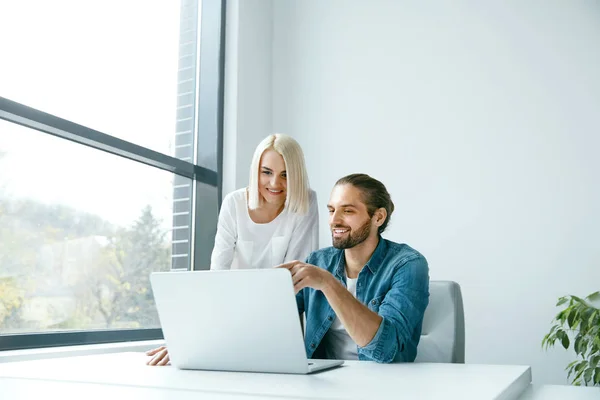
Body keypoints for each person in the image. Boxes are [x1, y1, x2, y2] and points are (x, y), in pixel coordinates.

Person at [146, 133, 319, 366]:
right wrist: (190, 337)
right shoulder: (234, 203)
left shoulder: (305, 203)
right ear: (255, 171)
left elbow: (295, 278)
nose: (274, 183)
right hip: (230, 320)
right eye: (266, 172)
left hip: (280, 323)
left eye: (285, 175)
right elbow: (218, 275)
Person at [278, 173, 429, 362]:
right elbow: (276, 325)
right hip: (324, 382)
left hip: (385, 383)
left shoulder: (407, 265)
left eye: (347, 211)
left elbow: (386, 350)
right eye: (331, 210)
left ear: (378, 217)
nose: (334, 220)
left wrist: (328, 283)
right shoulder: (318, 261)